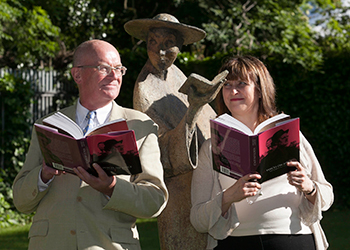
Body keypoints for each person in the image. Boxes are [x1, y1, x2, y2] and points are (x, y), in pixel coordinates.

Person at [12, 39, 168, 250]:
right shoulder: (48, 125)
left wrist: (112, 188)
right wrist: (43, 175)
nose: (115, 76)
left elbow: (155, 199)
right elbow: (21, 201)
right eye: (104, 68)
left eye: (119, 69)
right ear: (77, 74)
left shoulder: (140, 126)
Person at [190, 55, 334, 250]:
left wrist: (309, 187)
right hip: (236, 242)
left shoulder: (291, 136)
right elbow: (198, 219)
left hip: (292, 239)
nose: (233, 91)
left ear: (259, 90)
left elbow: (327, 196)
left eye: (241, 83)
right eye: (226, 85)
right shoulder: (211, 147)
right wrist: (229, 196)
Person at [124, 13, 225, 249]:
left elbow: (207, 122)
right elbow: (160, 149)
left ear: (179, 47)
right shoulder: (144, 88)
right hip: (181, 194)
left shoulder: (178, 75)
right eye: (153, 43)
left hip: (205, 186)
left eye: (168, 44)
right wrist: (194, 109)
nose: (159, 52)